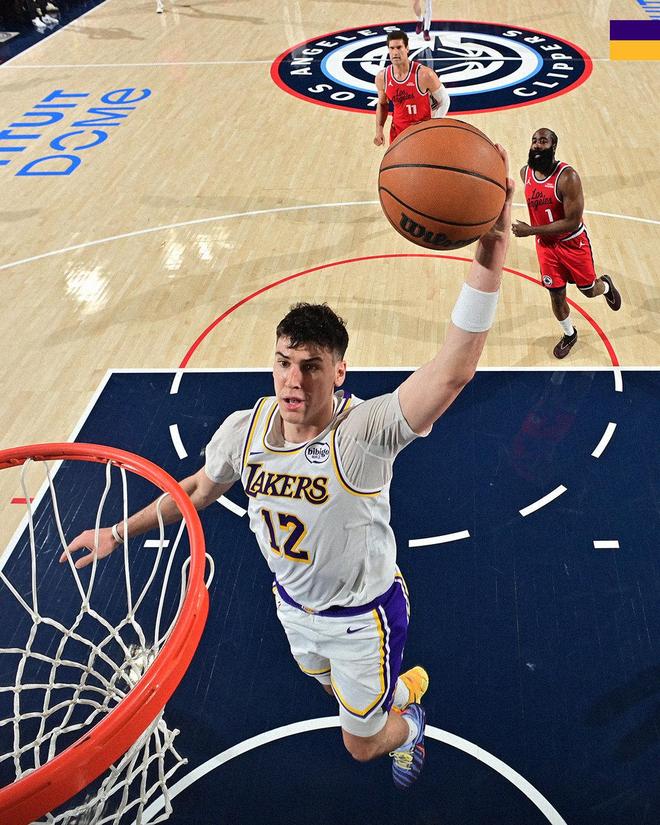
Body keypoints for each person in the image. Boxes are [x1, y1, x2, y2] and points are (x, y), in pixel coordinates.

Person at [62, 153, 513, 790]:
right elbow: (197, 490)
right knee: (324, 682)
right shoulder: (243, 430)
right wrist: (116, 533)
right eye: (283, 362)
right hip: (293, 607)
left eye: (310, 365)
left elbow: (452, 371)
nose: (293, 379)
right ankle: (388, 693)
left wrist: (491, 252)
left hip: (363, 618)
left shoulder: (362, 435)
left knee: (361, 745)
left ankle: (409, 723)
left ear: (339, 371)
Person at [512, 128, 621, 359]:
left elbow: (572, 222)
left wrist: (531, 230)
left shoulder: (568, 178)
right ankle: (569, 334)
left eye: (543, 141)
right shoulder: (525, 173)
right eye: (534, 140)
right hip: (546, 247)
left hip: (572, 243)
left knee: (589, 290)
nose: (537, 145)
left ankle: (606, 286)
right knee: (556, 294)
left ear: (553, 147)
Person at [374, 29, 449, 146]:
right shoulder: (382, 77)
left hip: (422, 133)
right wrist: (379, 130)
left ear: (407, 48)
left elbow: (445, 101)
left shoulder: (425, 75)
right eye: (391, 48)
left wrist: (433, 125)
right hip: (398, 134)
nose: (395, 52)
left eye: (399, 47)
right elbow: (383, 104)